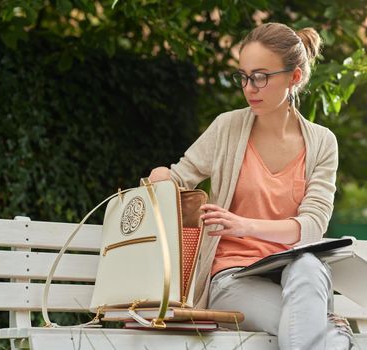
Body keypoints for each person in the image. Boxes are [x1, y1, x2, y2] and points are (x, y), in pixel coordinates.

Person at [149, 22, 352, 350]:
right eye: (243, 76)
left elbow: (312, 228)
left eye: (261, 76)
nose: (249, 87)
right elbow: (178, 178)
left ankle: (330, 332)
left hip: (294, 274)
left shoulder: (322, 143)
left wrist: (242, 225)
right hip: (233, 278)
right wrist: (160, 178)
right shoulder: (227, 128)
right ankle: (335, 332)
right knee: (313, 330)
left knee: (309, 266)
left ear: (294, 77)